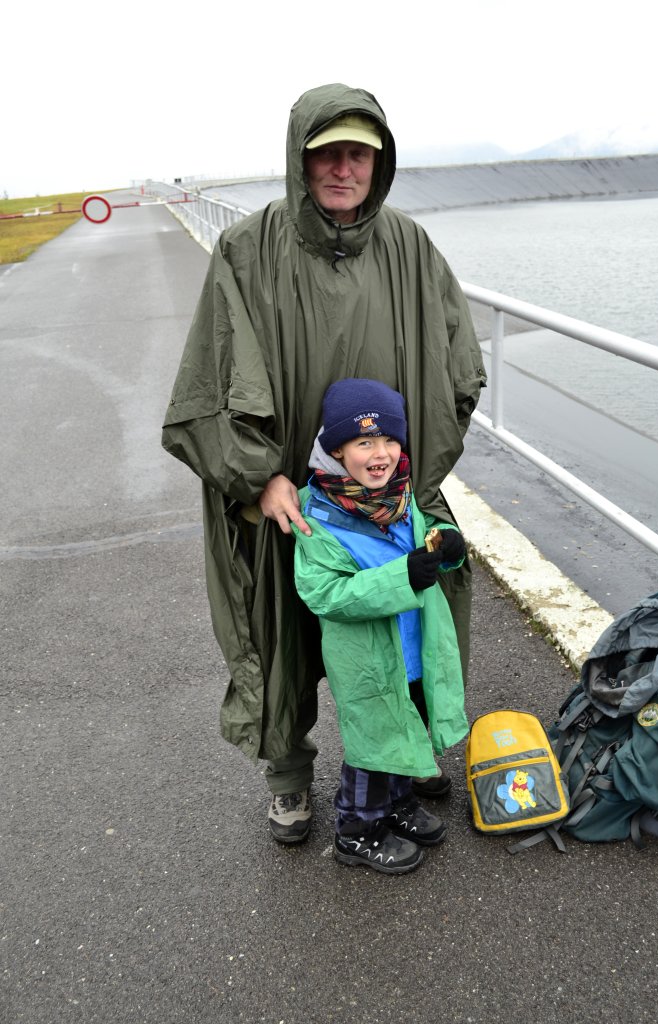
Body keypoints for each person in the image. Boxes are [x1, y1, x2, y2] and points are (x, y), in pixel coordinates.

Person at [161, 83, 486, 844]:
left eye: (358, 155)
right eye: (327, 153)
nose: (344, 169)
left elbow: (456, 368)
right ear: (299, 160)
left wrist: (414, 473)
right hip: (285, 497)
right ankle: (289, 780)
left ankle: (406, 756)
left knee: (412, 614)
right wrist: (258, 476)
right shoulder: (247, 250)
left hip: (388, 492)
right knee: (280, 636)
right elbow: (213, 378)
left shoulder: (409, 248)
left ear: (379, 163)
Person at [292, 378, 468, 874]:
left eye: (390, 439)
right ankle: (356, 831)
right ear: (336, 449)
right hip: (368, 659)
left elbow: (422, 543)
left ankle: (398, 804)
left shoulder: (401, 494)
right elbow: (324, 593)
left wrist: (446, 543)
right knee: (372, 745)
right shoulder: (316, 517)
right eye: (364, 442)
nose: (382, 453)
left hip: (413, 648)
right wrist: (401, 576)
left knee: (405, 727)